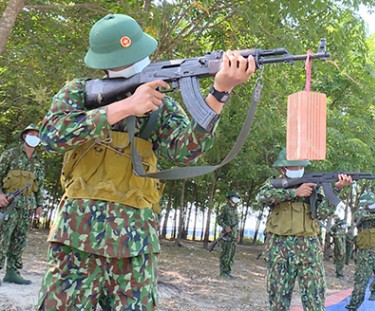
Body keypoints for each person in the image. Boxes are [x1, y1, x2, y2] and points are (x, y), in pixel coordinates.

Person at [36, 13, 255, 310]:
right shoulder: (77, 91)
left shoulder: (159, 101)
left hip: (135, 242)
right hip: (76, 239)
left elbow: (185, 151)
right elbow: (49, 137)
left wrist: (219, 92)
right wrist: (125, 107)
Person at [256, 148, 352, 311]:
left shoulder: (314, 187)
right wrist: (295, 192)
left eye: (300, 167)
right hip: (280, 248)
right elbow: (262, 197)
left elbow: (322, 214)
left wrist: (336, 189)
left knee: (314, 298)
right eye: (293, 168)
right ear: (282, 169)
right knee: (278, 299)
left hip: (309, 248)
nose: (297, 170)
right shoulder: (272, 185)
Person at [0, 123, 45, 285]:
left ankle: (12, 272)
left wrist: (39, 205)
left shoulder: (39, 162)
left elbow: (39, 187)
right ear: (24, 136)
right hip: (8, 204)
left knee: (19, 239)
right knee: (3, 238)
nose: (35, 138)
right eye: (31, 134)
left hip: (27, 206)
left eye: (37, 135)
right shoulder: (10, 155)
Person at [345, 192, 375, 311]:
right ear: (365, 204)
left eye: (374, 202)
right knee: (360, 286)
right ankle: (353, 307)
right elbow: (360, 217)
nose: (374, 204)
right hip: (364, 256)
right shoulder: (360, 214)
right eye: (371, 203)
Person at [216, 191, 240, 278]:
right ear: (230, 198)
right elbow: (219, 219)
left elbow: (237, 223)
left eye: (237, 197)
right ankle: (223, 273)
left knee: (231, 256)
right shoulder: (225, 208)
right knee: (225, 255)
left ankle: (228, 272)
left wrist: (238, 234)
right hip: (226, 236)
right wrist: (225, 226)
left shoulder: (236, 210)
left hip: (234, 236)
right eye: (235, 197)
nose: (236, 199)